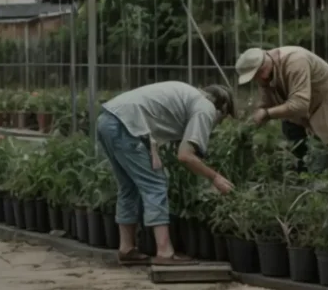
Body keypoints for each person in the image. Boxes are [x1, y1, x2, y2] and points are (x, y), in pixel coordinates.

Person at [96, 81, 235, 267]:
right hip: (125, 125)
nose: (219, 123)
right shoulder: (206, 108)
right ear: (222, 108)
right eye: (224, 118)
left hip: (108, 120)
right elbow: (185, 156)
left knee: (129, 186)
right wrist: (215, 178)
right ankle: (165, 252)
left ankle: (126, 249)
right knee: (155, 185)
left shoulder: (189, 96)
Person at [236, 46, 328, 172]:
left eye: (256, 76)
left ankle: (327, 184)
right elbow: (265, 101)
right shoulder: (266, 74)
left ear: (262, 70)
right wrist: (251, 121)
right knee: (295, 142)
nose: (257, 81)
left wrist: (267, 114)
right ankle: (302, 177)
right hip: (313, 112)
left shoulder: (295, 61)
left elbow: (300, 105)